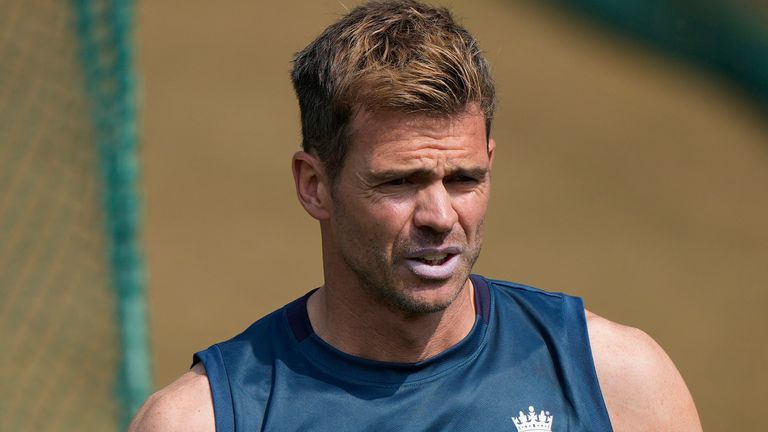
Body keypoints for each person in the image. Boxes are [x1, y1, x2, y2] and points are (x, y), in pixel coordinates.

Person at [130, 1, 702, 430]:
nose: (439, 215)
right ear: (314, 186)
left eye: (464, 179)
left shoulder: (618, 385)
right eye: (399, 182)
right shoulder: (205, 420)